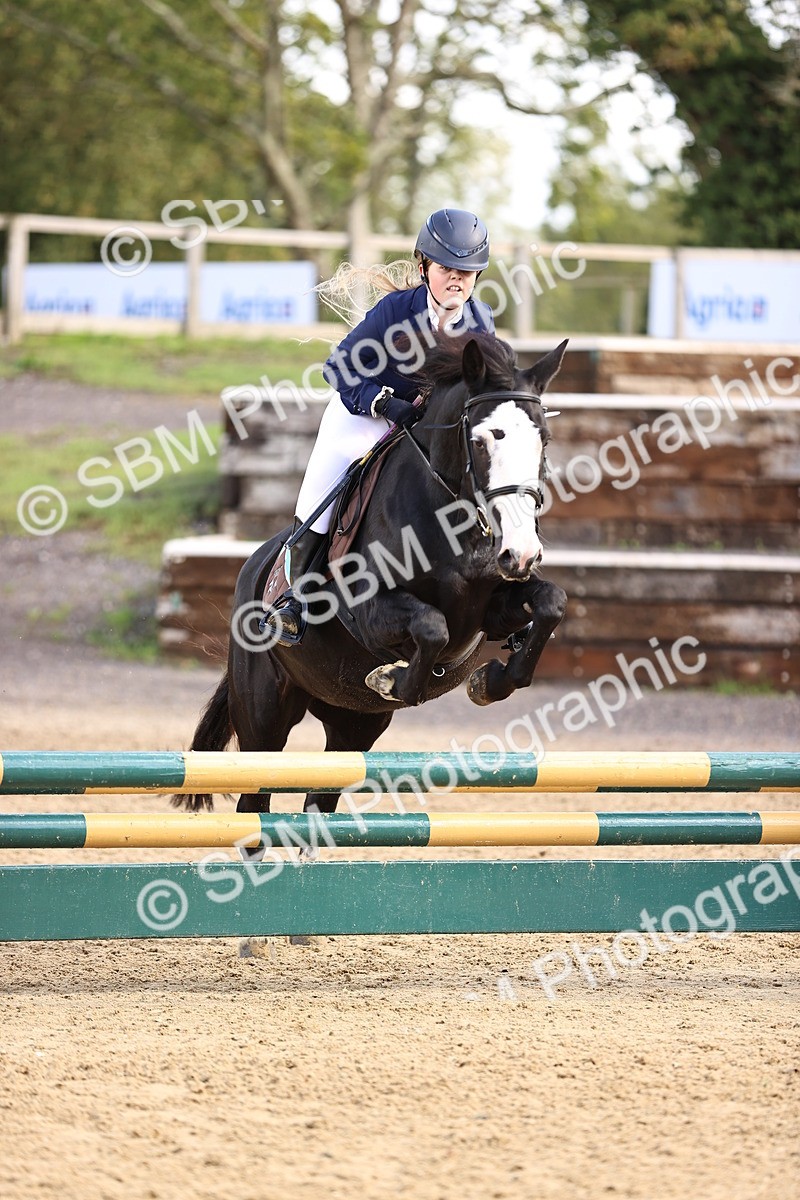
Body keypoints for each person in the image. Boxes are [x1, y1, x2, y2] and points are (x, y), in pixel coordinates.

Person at [265, 208, 495, 645]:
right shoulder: (394, 311)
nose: (457, 280)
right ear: (425, 266)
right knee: (326, 485)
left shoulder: (480, 321)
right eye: (447, 268)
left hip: (430, 430)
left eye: (467, 272)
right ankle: (294, 597)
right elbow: (338, 367)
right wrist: (384, 402)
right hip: (365, 415)